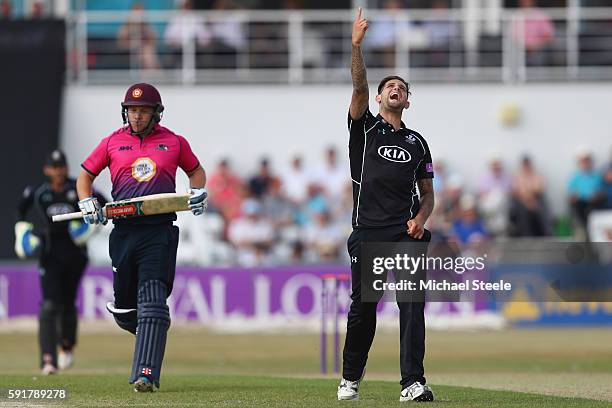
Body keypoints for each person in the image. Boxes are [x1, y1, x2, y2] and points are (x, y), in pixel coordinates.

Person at [76, 83, 208, 392]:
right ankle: (153, 325)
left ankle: (145, 374)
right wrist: (86, 201)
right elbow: (85, 176)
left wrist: (199, 193)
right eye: (132, 110)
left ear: (156, 114)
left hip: (158, 231)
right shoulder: (111, 142)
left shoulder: (174, 142)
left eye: (143, 110)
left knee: (153, 301)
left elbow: (196, 171)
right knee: (126, 310)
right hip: (123, 232)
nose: (136, 116)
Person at [337, 8, 435, 402]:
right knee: (365, 310)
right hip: (368, 232)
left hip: (406, 232)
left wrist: (420, 218)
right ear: (379, 98)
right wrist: (356, 45)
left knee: (413, 306)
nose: (397, 88)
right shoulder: (364, 128)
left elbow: (427, 193)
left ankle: (412, 382)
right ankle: (350, 377)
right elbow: (358, 86)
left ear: (407, 101)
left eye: (402, 87)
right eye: (389, 85)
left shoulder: (418, 143)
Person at [16, 150, 106, 375]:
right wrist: (25, 234)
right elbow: (21, 213)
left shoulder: (78, 187)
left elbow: (105, 207)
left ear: (65, 168)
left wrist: (90, 227)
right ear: (46, 169)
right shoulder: (38, 193)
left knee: (67, 302)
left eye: (61, 167)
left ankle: (67, 344)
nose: (57, 171)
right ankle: (48, 359)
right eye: (53, 167)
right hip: (49, 253)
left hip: (76, 253)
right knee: (49, 305)